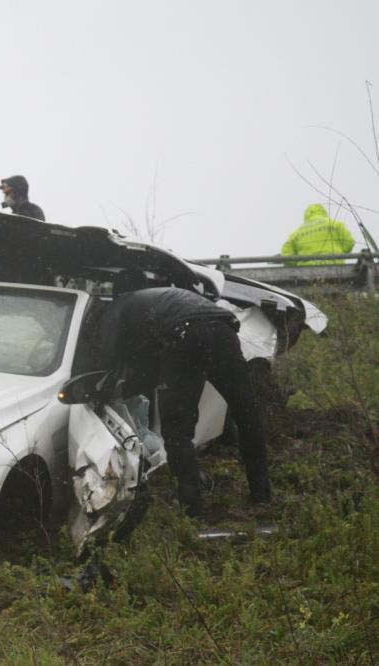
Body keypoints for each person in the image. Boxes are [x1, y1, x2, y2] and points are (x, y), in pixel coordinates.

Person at [97, 274, 271, 517]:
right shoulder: (160, 299)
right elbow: (152, 369)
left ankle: (192, 508)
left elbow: (111, 360)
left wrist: (108, 389)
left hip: (186, 336)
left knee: (177, 431)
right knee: (247, 414)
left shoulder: (115, 311)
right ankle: (262, 495)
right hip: (223, 330)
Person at [281, 203, 355, 265]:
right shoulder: (335, 224)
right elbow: (349, 243)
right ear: (324, 212)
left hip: (307, 270)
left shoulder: (296, 233)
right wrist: (339, 253)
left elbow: (287, 255)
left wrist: (297, 264)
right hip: (335, 266)